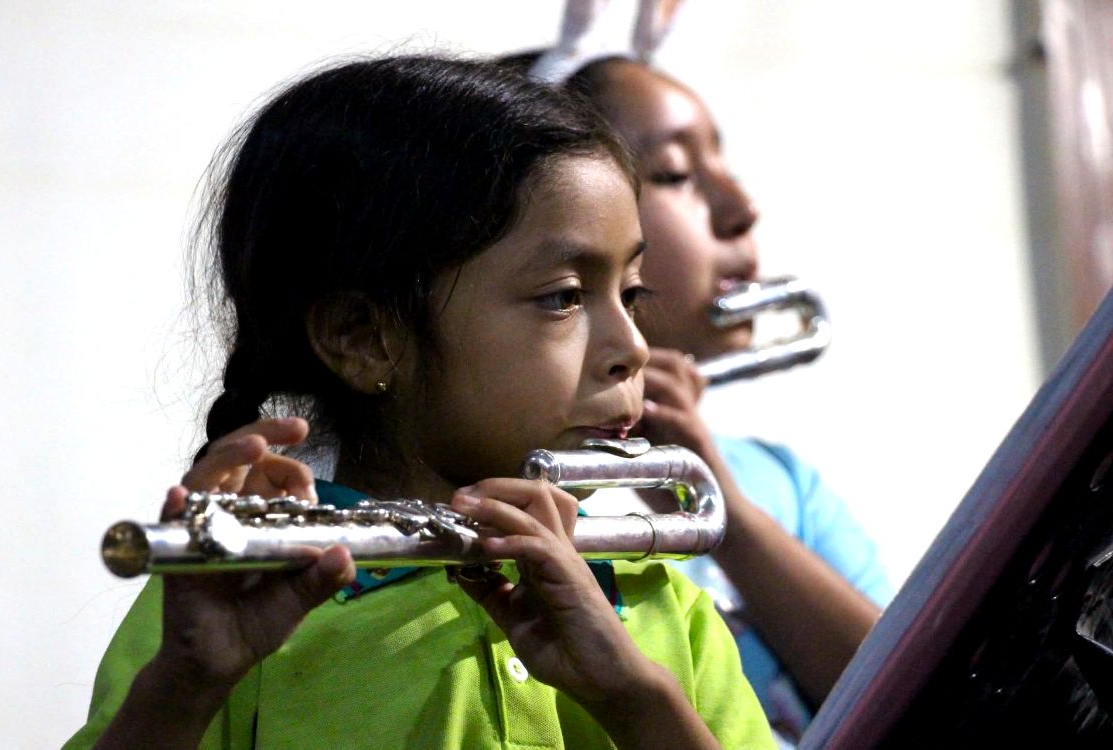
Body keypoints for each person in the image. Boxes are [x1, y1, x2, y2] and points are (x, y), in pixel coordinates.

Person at [64, 55, 775, 749]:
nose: (633, 347)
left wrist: (637, 699)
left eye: (632, 293)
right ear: (365, 338)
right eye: (562, 298)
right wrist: (186, 686)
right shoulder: (235, 603)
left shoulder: (660, 606)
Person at [498, 51, 894, 743]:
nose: (741, 209)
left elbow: (923, 698)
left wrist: (726, 515)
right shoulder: (495, 494)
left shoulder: (778, 483)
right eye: (675, 173)